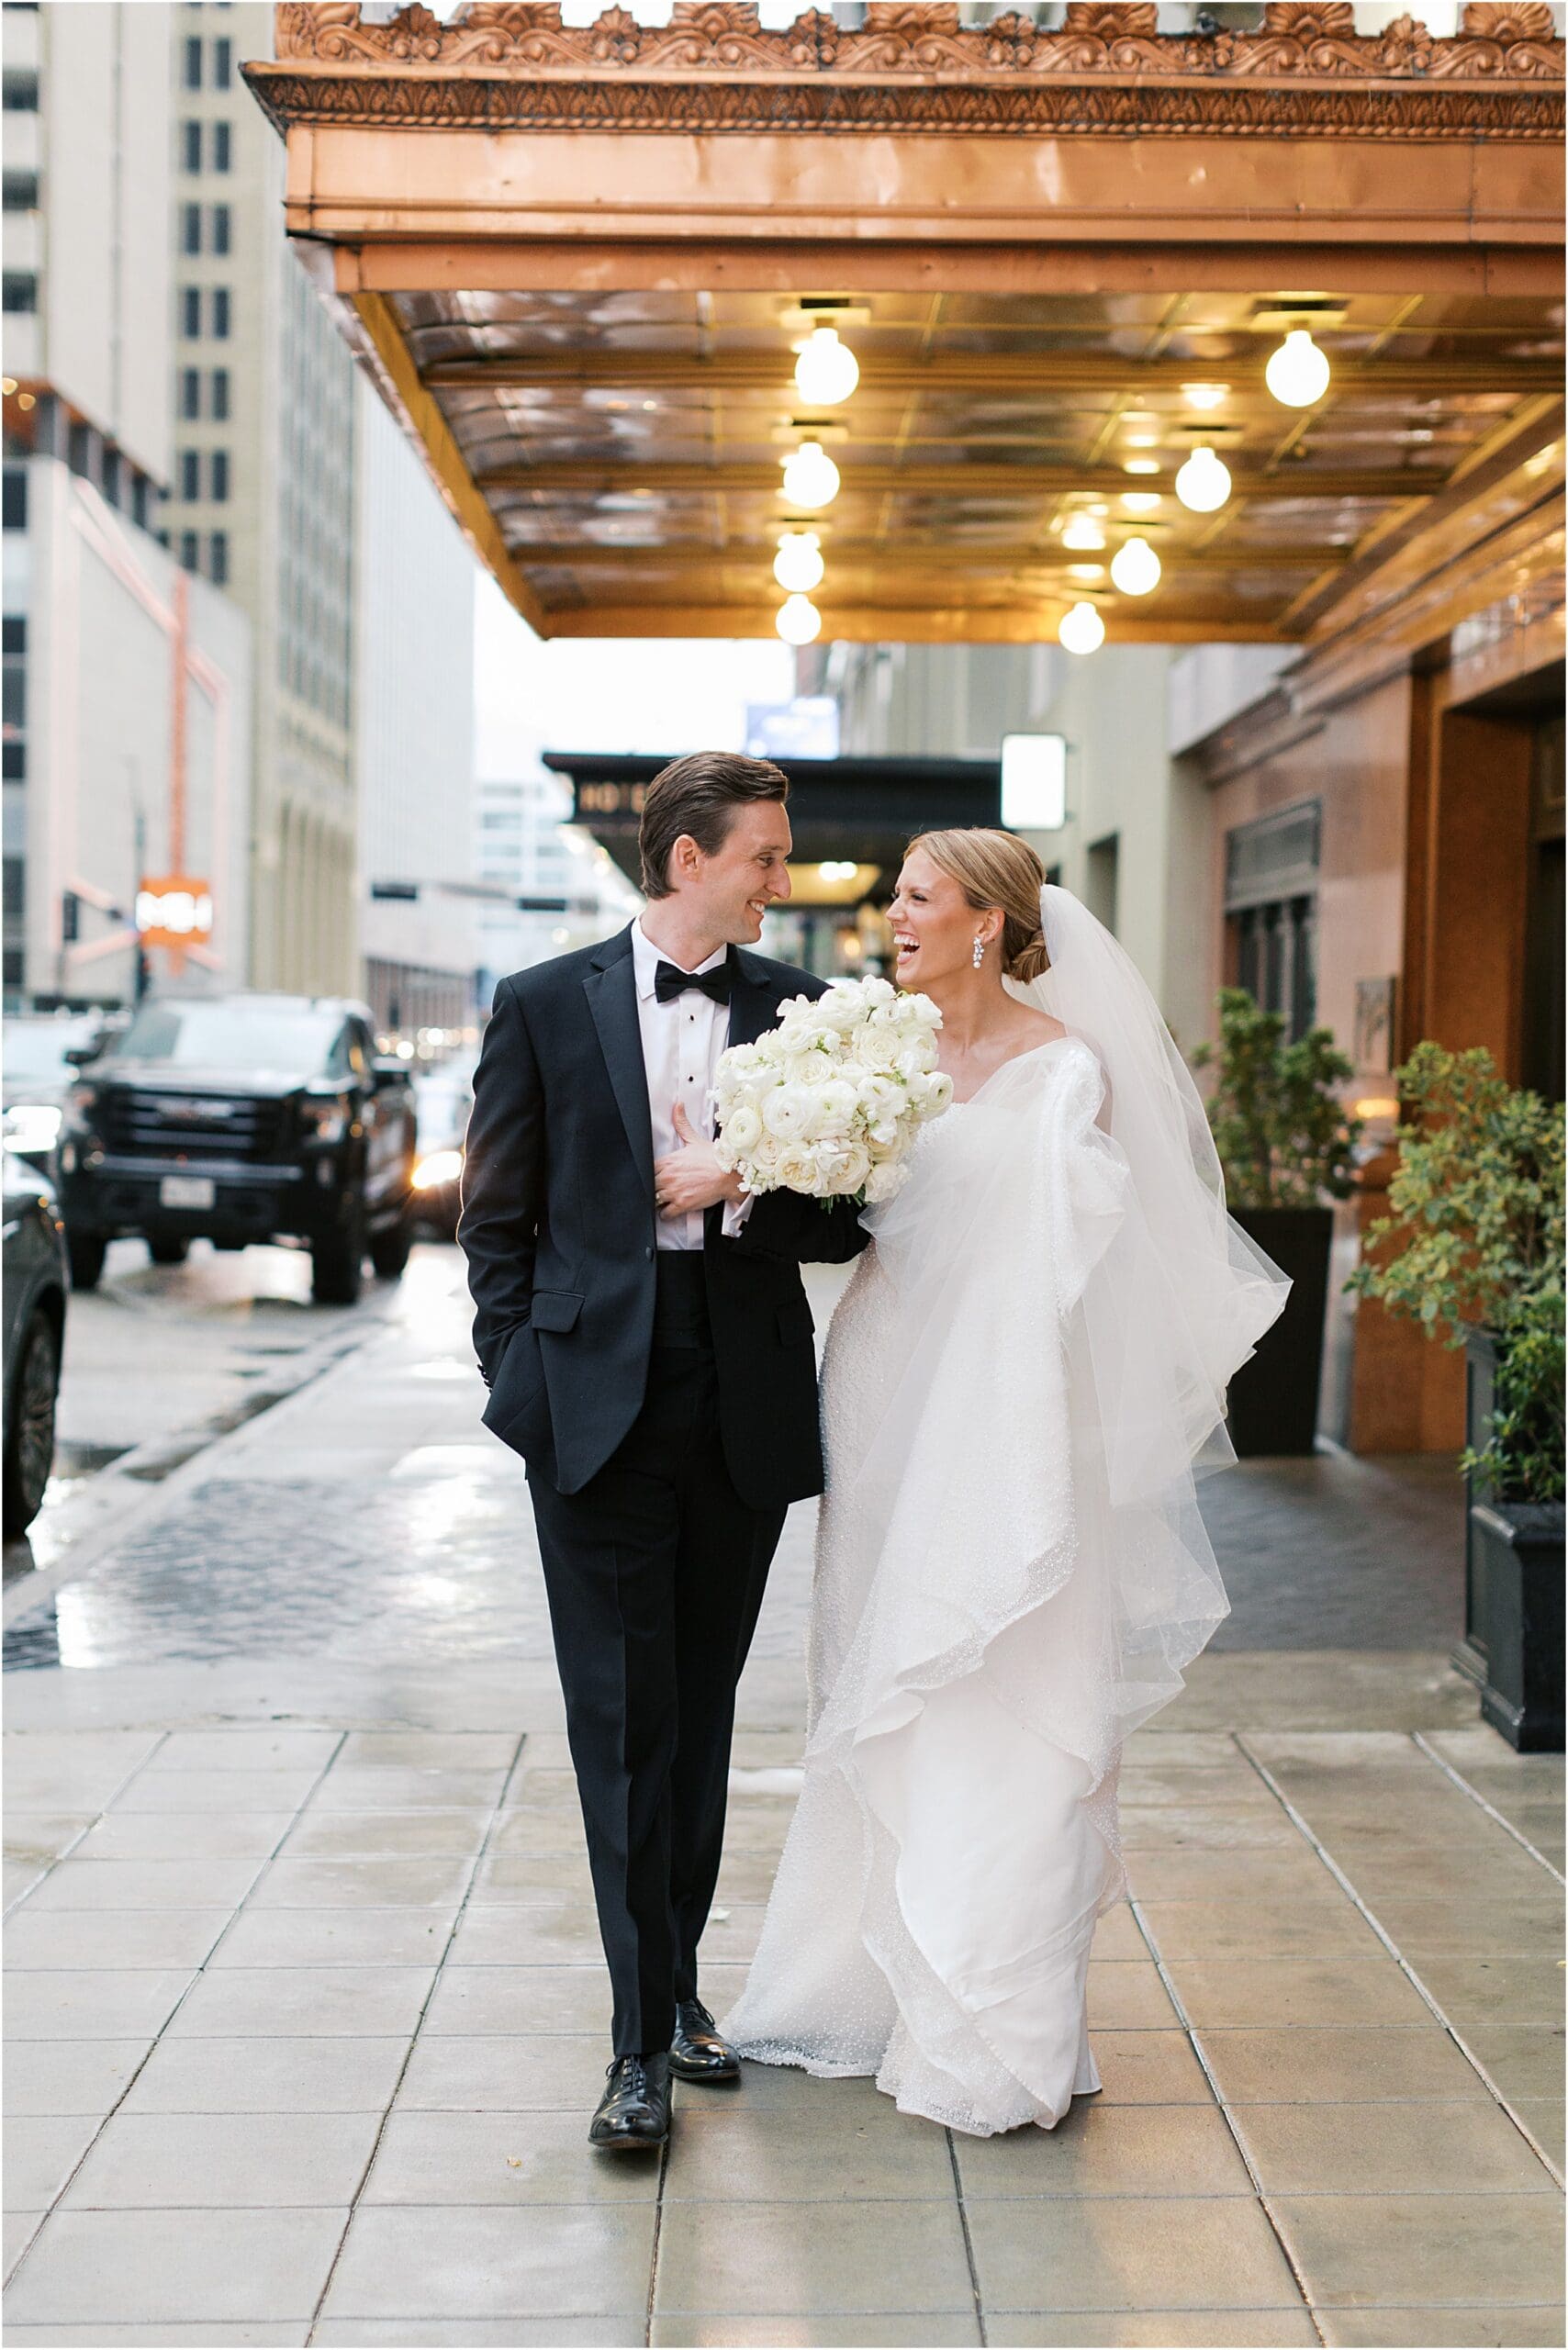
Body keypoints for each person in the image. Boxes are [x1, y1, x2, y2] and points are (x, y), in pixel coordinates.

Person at [723, 828, 1289, 2136]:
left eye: (917, 898)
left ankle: (997, 2029)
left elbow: (1077, 1260)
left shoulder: (1066, 1074)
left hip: (1010, 1409)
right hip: (880, 1393)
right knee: (883, 1678)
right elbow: (829, 1217)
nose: (894, 916)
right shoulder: (871, 1055)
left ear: (988, 920)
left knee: (1005, 1674)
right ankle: (862, 1986)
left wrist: (1020, 1403)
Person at [458, 752, 868, 2154]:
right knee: (621, 1723)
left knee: (697, 1714)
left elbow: (846, 1220)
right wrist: (519, 1381)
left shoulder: (806, 1014)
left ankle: (680, 1987)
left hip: (739, 1399)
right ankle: (636, 2048)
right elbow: (492, 1221)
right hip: (590, 1408)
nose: (784, 877)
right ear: (688, 859)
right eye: (765, 854)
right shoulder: (539, 1007)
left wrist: (747, 1178)